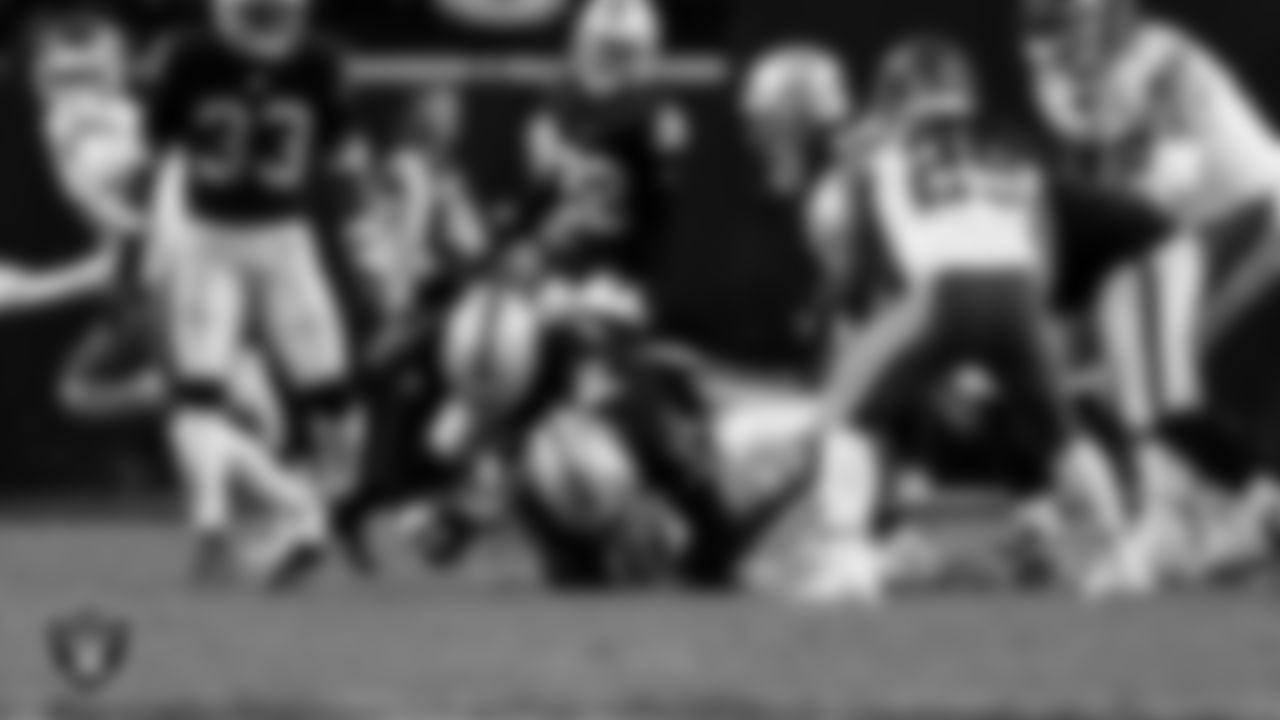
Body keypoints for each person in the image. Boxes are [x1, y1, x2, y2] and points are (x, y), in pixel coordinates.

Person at [794, 35, 1129, 604]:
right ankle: (1121, 551)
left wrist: (846, 318)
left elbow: (859, 272)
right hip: (1021, 293)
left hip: (944, 292)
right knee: (1060, 433)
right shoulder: (1010, 150)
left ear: (896, 96)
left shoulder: (874, 157)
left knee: (847, 414)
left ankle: (847, 558)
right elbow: (1042, 249)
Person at [1022, 0, 1280, 593]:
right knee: (1131, 374)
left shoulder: (1160, 58)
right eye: (1041, 21)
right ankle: (1193, 516)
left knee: (1140, 372)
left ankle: (1184, 523)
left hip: (1252, 216)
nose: (1049, 37)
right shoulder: (1059, 84)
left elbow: (1176, 175)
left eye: (1061, 21)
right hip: (1192, 235)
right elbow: (1110, 188)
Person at [143, 0, 367, 586]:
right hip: (248, 239)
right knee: (304, 396)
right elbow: (345, 160)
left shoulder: (192, 54)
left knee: (218, 393)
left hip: (240, 238)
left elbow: (159, 150)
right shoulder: (314, 59)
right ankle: (258, 519)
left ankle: (276, 520)